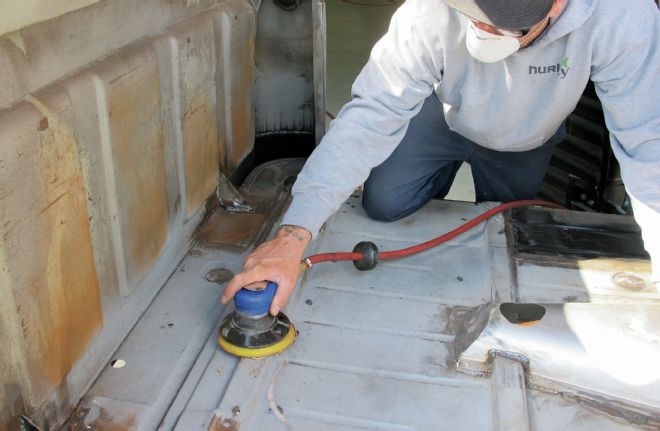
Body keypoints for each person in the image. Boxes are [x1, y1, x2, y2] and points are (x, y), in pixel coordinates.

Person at [223, 0, 660, 314]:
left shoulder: (622, 15)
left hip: (526, 136)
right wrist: (292, 237)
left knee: (505, 231)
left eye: (498, 25)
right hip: (442, 115)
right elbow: (372, 112)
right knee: (382, 203)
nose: (479, 31)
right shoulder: (429, 11)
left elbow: (647, 142)